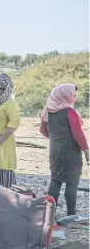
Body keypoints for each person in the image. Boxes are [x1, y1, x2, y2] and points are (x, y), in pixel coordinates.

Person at [40, 83, 89, 215]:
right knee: (72, 182)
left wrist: (56, 139)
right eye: (73, 95)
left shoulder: (48, 111)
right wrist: (87, 151)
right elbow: (78, 134)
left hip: (55, 150)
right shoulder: (69, 112)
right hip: (71, 151)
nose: (75, 98)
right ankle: (71, 214)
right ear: (65, 95)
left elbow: (43, 130)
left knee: (56, 180)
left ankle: (49, 214)